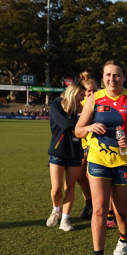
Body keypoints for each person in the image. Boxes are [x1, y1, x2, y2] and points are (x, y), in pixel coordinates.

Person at [75, 59, 127, 255]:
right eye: (108, 75)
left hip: (124, 161)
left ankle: (124, 237)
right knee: (99, 208)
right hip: (98, 159)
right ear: (103, 76)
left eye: (116, 75)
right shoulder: (95, 98)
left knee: (122, 212)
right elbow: (78, 130)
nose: (111, 79)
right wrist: (88, 126)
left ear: (124, 77)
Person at [46, 83, 86, 231]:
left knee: (70, 187)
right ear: (73, 93)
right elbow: (65, 124)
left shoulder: (81, 108)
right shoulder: (56, 105)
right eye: (80, 95)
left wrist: (84, 120)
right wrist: (83, 126)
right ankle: (56, 210)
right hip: (58, 151)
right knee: (56, 189)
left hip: (75, 152)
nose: (82, 99)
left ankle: (65, 220)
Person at [77, 71, 100, 220]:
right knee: (79, 176)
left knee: (92, 176)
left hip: (94, 145)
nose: (91, 93)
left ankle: (96, 206)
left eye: (94, 90)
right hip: (79, 144)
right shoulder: (79, 104)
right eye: (88, 91)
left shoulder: (102, 102)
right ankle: (89, 202)